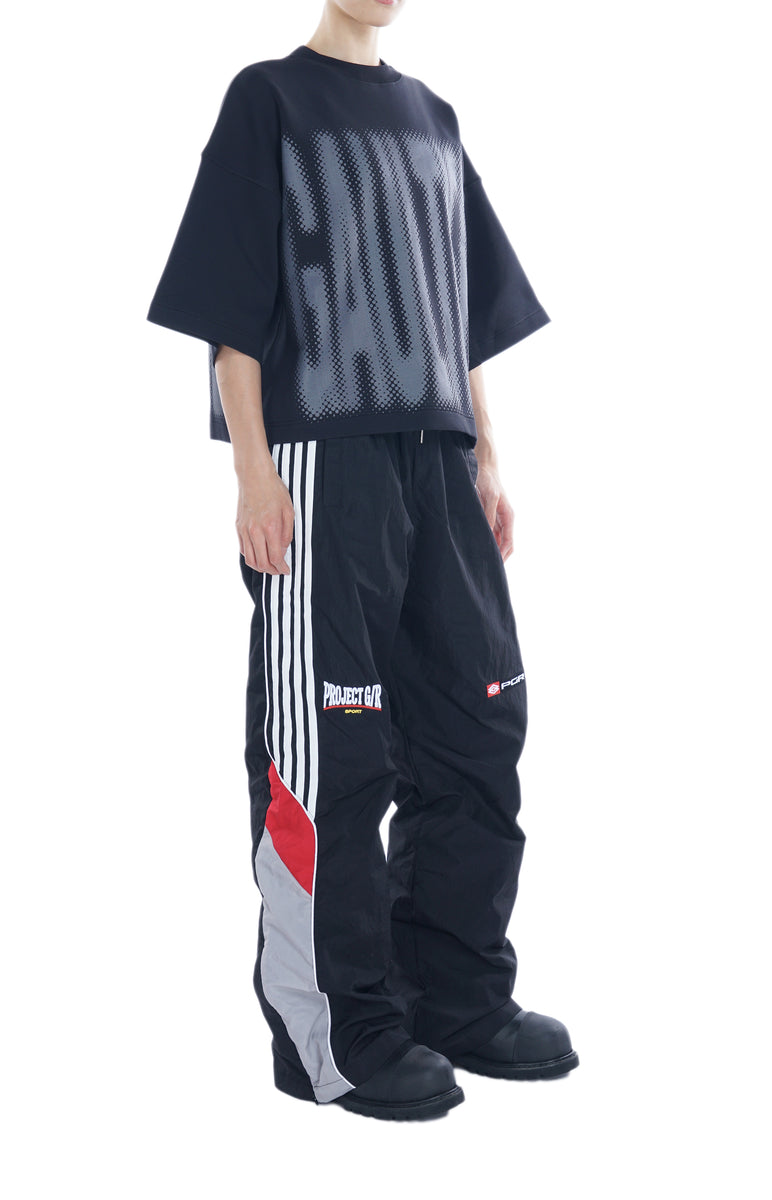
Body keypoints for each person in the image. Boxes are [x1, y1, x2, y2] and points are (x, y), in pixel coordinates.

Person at [146, 0, 578, 1122]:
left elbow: (458, 310)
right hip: (322, 456)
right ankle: (333, 1028)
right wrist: (252, 473)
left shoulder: (433, 116)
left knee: (475, 724)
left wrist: (486, 456)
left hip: (437, 457)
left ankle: (455, 994)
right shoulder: (269, 99)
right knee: (328, 745)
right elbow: (231, 312)